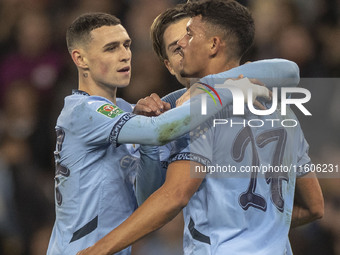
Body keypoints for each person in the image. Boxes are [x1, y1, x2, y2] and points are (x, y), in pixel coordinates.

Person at [76, 1, 323, 255]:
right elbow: (315, 207)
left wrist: (98, 249)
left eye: (190, 35)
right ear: (169, 65)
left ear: (214, 44)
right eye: (176, 45)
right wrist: (258, 227)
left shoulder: (200, 113)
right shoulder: (281, 110)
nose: (184, 43)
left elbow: (175, 195)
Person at [47, 11, 273, 255]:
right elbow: (160, 130)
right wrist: (228, 88)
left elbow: (146, 198)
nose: (124, 55)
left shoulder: (126, 113)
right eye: (111, 48)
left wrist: (148, 146)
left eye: (127, 45)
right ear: (80, 59)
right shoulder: (83, 111)